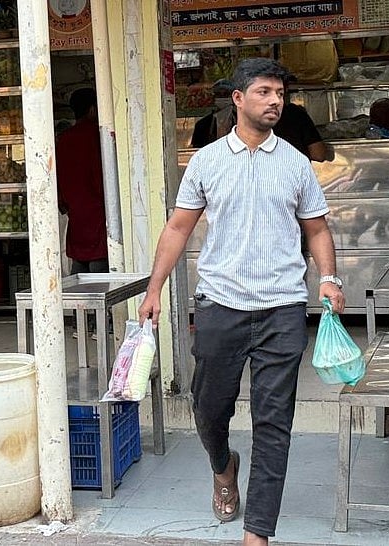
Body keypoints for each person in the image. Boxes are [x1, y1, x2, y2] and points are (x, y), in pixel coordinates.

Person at [137, 58, 344, 546]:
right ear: (238, 99)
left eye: (281, 93)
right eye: (265, 92)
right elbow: (178, 228)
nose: (276, 101)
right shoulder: (206, 162)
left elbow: (316, 228)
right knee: (209, 408)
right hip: (220, 306)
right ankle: (222, 464)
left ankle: (258, 533)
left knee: (275, 423)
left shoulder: (295, 162)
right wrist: (153, 290)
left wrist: (329, 278)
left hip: (283, 308)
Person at [55, 87, 108, 274]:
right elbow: (102, 180)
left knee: (78, 275)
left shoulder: (63, 140)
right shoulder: (97, 135)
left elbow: (58, 182)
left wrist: (66, 205)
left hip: (76, 219)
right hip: (100, 216)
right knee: (100, 279)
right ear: (93, 109)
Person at [274, 77, 330, 162]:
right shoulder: (295, 114)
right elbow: (318, 154)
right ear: (286, 89)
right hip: (293, 172)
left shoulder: (250, 117)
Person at [190, 79, 237, 148]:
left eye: (226, 94)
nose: (222, 97)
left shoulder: (244, 123)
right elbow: (196, 150)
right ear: (214, 97)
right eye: (219, 94)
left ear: (234, 97)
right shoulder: (202, 125)